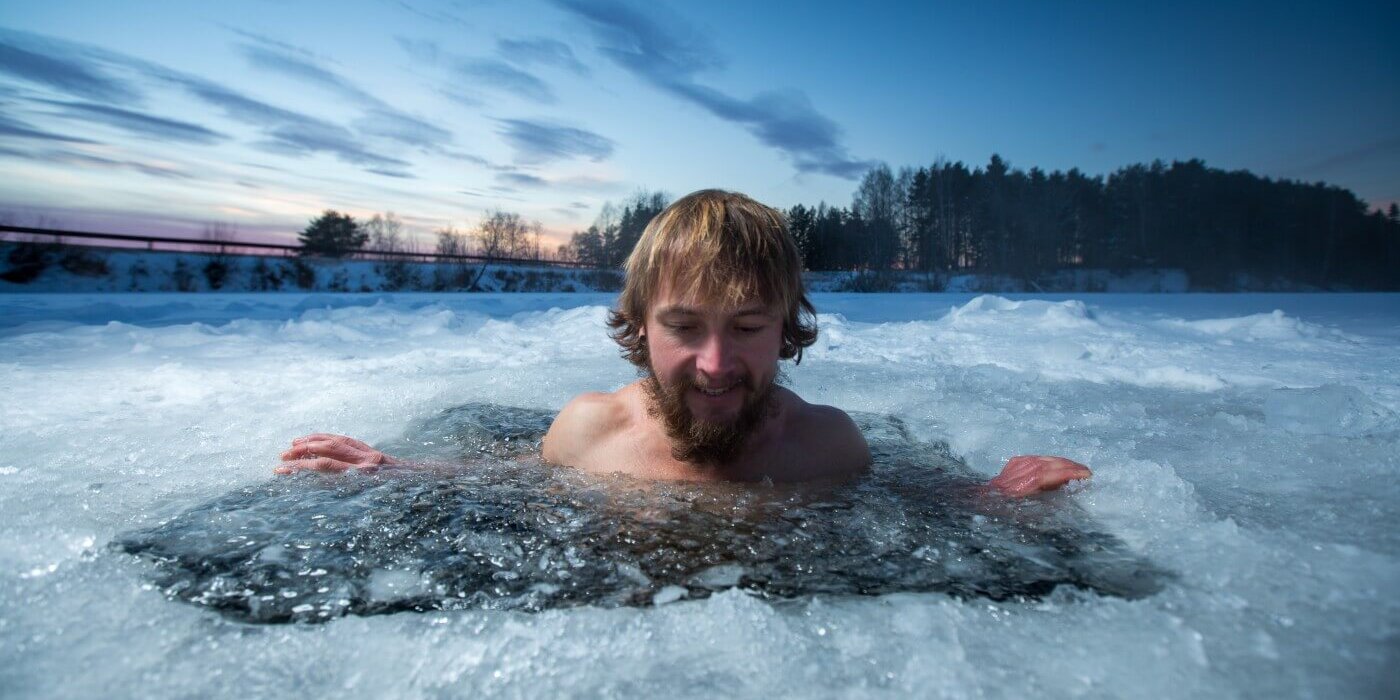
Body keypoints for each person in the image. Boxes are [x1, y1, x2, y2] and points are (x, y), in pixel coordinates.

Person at [277, 190, 1090, 496]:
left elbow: (914, 503)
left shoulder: (829, 446)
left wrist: (987, 499)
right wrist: (401, 471)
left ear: (786, 330)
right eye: (684, 327)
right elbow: (515, 479)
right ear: (638, 327)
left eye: (746, 328)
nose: (716, 364)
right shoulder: (590, 429)